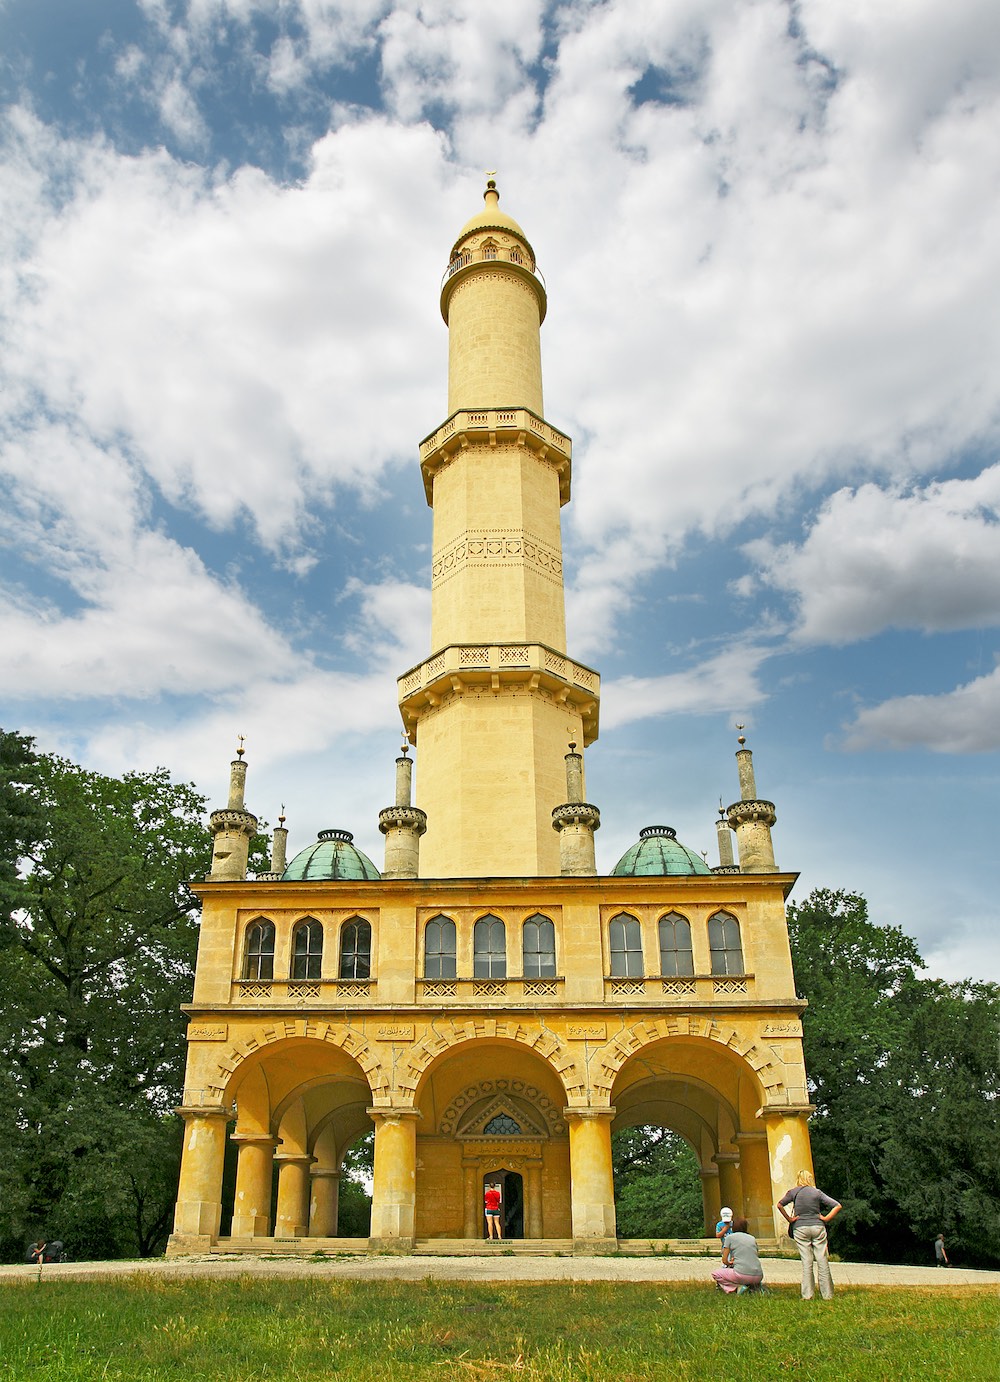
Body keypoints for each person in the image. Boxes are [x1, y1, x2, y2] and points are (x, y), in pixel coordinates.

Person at [777, 1169, 842, 1301]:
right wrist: (826, 1218)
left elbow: (780, 1205)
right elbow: (837, 1205)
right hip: (817, 1226)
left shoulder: (793, 1192)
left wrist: (790, 1219)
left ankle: (807, 1295)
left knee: (807, 1261)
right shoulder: (816, 1192)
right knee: (822, 1260)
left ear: (798, 1179)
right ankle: (827, 1294)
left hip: (800, 1228)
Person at [711, 1216, 764, 1295]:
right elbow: (755, 1254)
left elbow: (724, 1260)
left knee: (716, 1274)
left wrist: (731, 1263)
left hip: (742, 1275)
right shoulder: (752, 1238)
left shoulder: (729, 1238)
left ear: (733, 1228)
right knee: (745, 1275)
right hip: (759, 1276)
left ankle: (735, 1288)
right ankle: (753, 1287)